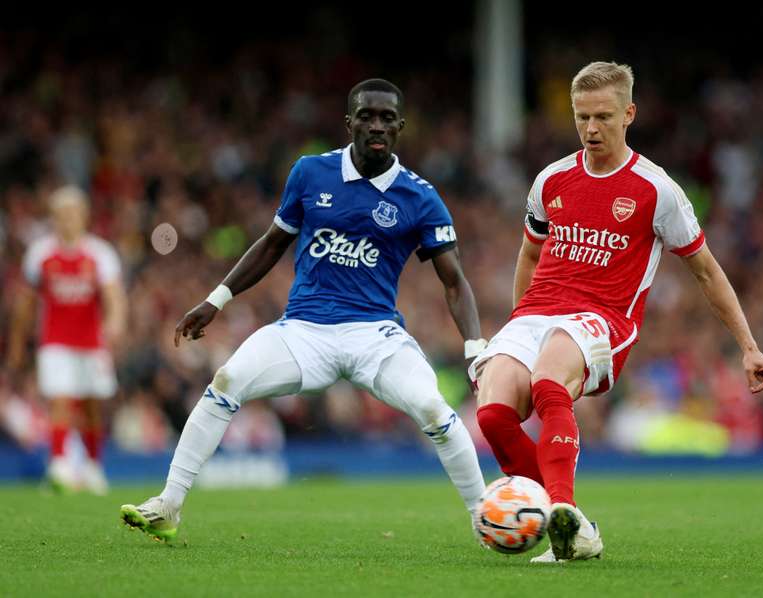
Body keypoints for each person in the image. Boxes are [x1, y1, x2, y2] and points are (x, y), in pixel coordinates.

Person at [121, 79, 487, 541]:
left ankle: (483, 516)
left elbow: (454, 281)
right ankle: (169, 505)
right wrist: (216, 300)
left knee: (434, 408)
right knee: (226, 381)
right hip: (304, 331)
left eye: (387, 118)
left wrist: (475, 346)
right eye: (367, 116)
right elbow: (273, 243)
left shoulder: (420, 197)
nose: (377, 125)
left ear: (400, 127)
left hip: (374, 334)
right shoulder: (311, 172)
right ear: (349, 121)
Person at [470, 62, 763, 563]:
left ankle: (563, 512)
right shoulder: (550, 180)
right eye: (581, 118)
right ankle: (572, 528)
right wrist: (517, 327)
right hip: (535, 315)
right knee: (492, 413)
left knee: (551, 381)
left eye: (603, 117)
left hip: (599, 319)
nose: (591, 129)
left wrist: (749, 347)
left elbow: (706, 270)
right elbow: (530, 253)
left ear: (628, 114)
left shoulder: (657, 189)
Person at [6, 185, 126, 494]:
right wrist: (18, 343)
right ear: (53, 218)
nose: (67, 220)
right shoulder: (40, 254)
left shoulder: (100, 253)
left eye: (73, 213)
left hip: (91, 342)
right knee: (60, 397)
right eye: (61, 215)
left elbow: (113, 296)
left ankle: (92, 467)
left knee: (91, 406)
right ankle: (59, 464)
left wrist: (114, 323)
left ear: (83, 216)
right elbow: (26, 302)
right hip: (55, 340)